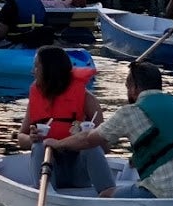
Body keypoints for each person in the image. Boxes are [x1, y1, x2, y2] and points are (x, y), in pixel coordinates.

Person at [46, 60, 173, 199]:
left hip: (167, 192)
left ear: (134, 88)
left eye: (127, 88)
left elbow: (88, 139)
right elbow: (171, 142)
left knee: (106, 196)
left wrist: (58, 143)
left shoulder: (132, 111)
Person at [17, 45, 114, 194]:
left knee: (93, 145)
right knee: (38, 146)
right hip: (50, 170)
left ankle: (109, 194)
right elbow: (20, 137)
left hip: (79, 171)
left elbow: (106, 147)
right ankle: (44, 192)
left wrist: (86, 136)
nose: (32, 72)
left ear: (50, 71)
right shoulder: (37, 97)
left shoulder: (87, 99)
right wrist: (31, 138)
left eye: (37, 67)